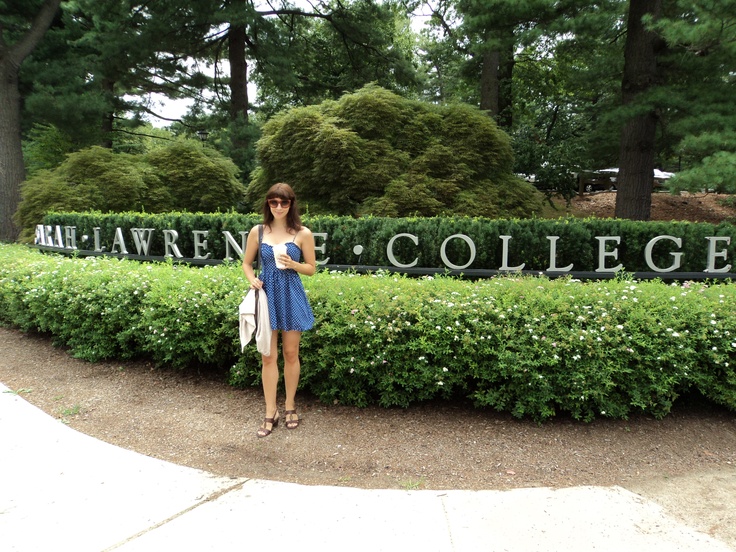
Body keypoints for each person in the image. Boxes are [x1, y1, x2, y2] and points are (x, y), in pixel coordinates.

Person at [242, 183, 316, 437]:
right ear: (268, 204)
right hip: (267, 295)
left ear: (292, 204)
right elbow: (246, 263)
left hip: (291, 293)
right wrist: (251, 278)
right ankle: (270, 410)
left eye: (284, 202)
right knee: (268, 355)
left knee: (291, 353)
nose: (279, 207)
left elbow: (311, 268)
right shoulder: (258, 231)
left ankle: (290, 405)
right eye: (274, 202)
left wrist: (293, 263)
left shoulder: (303, 233)